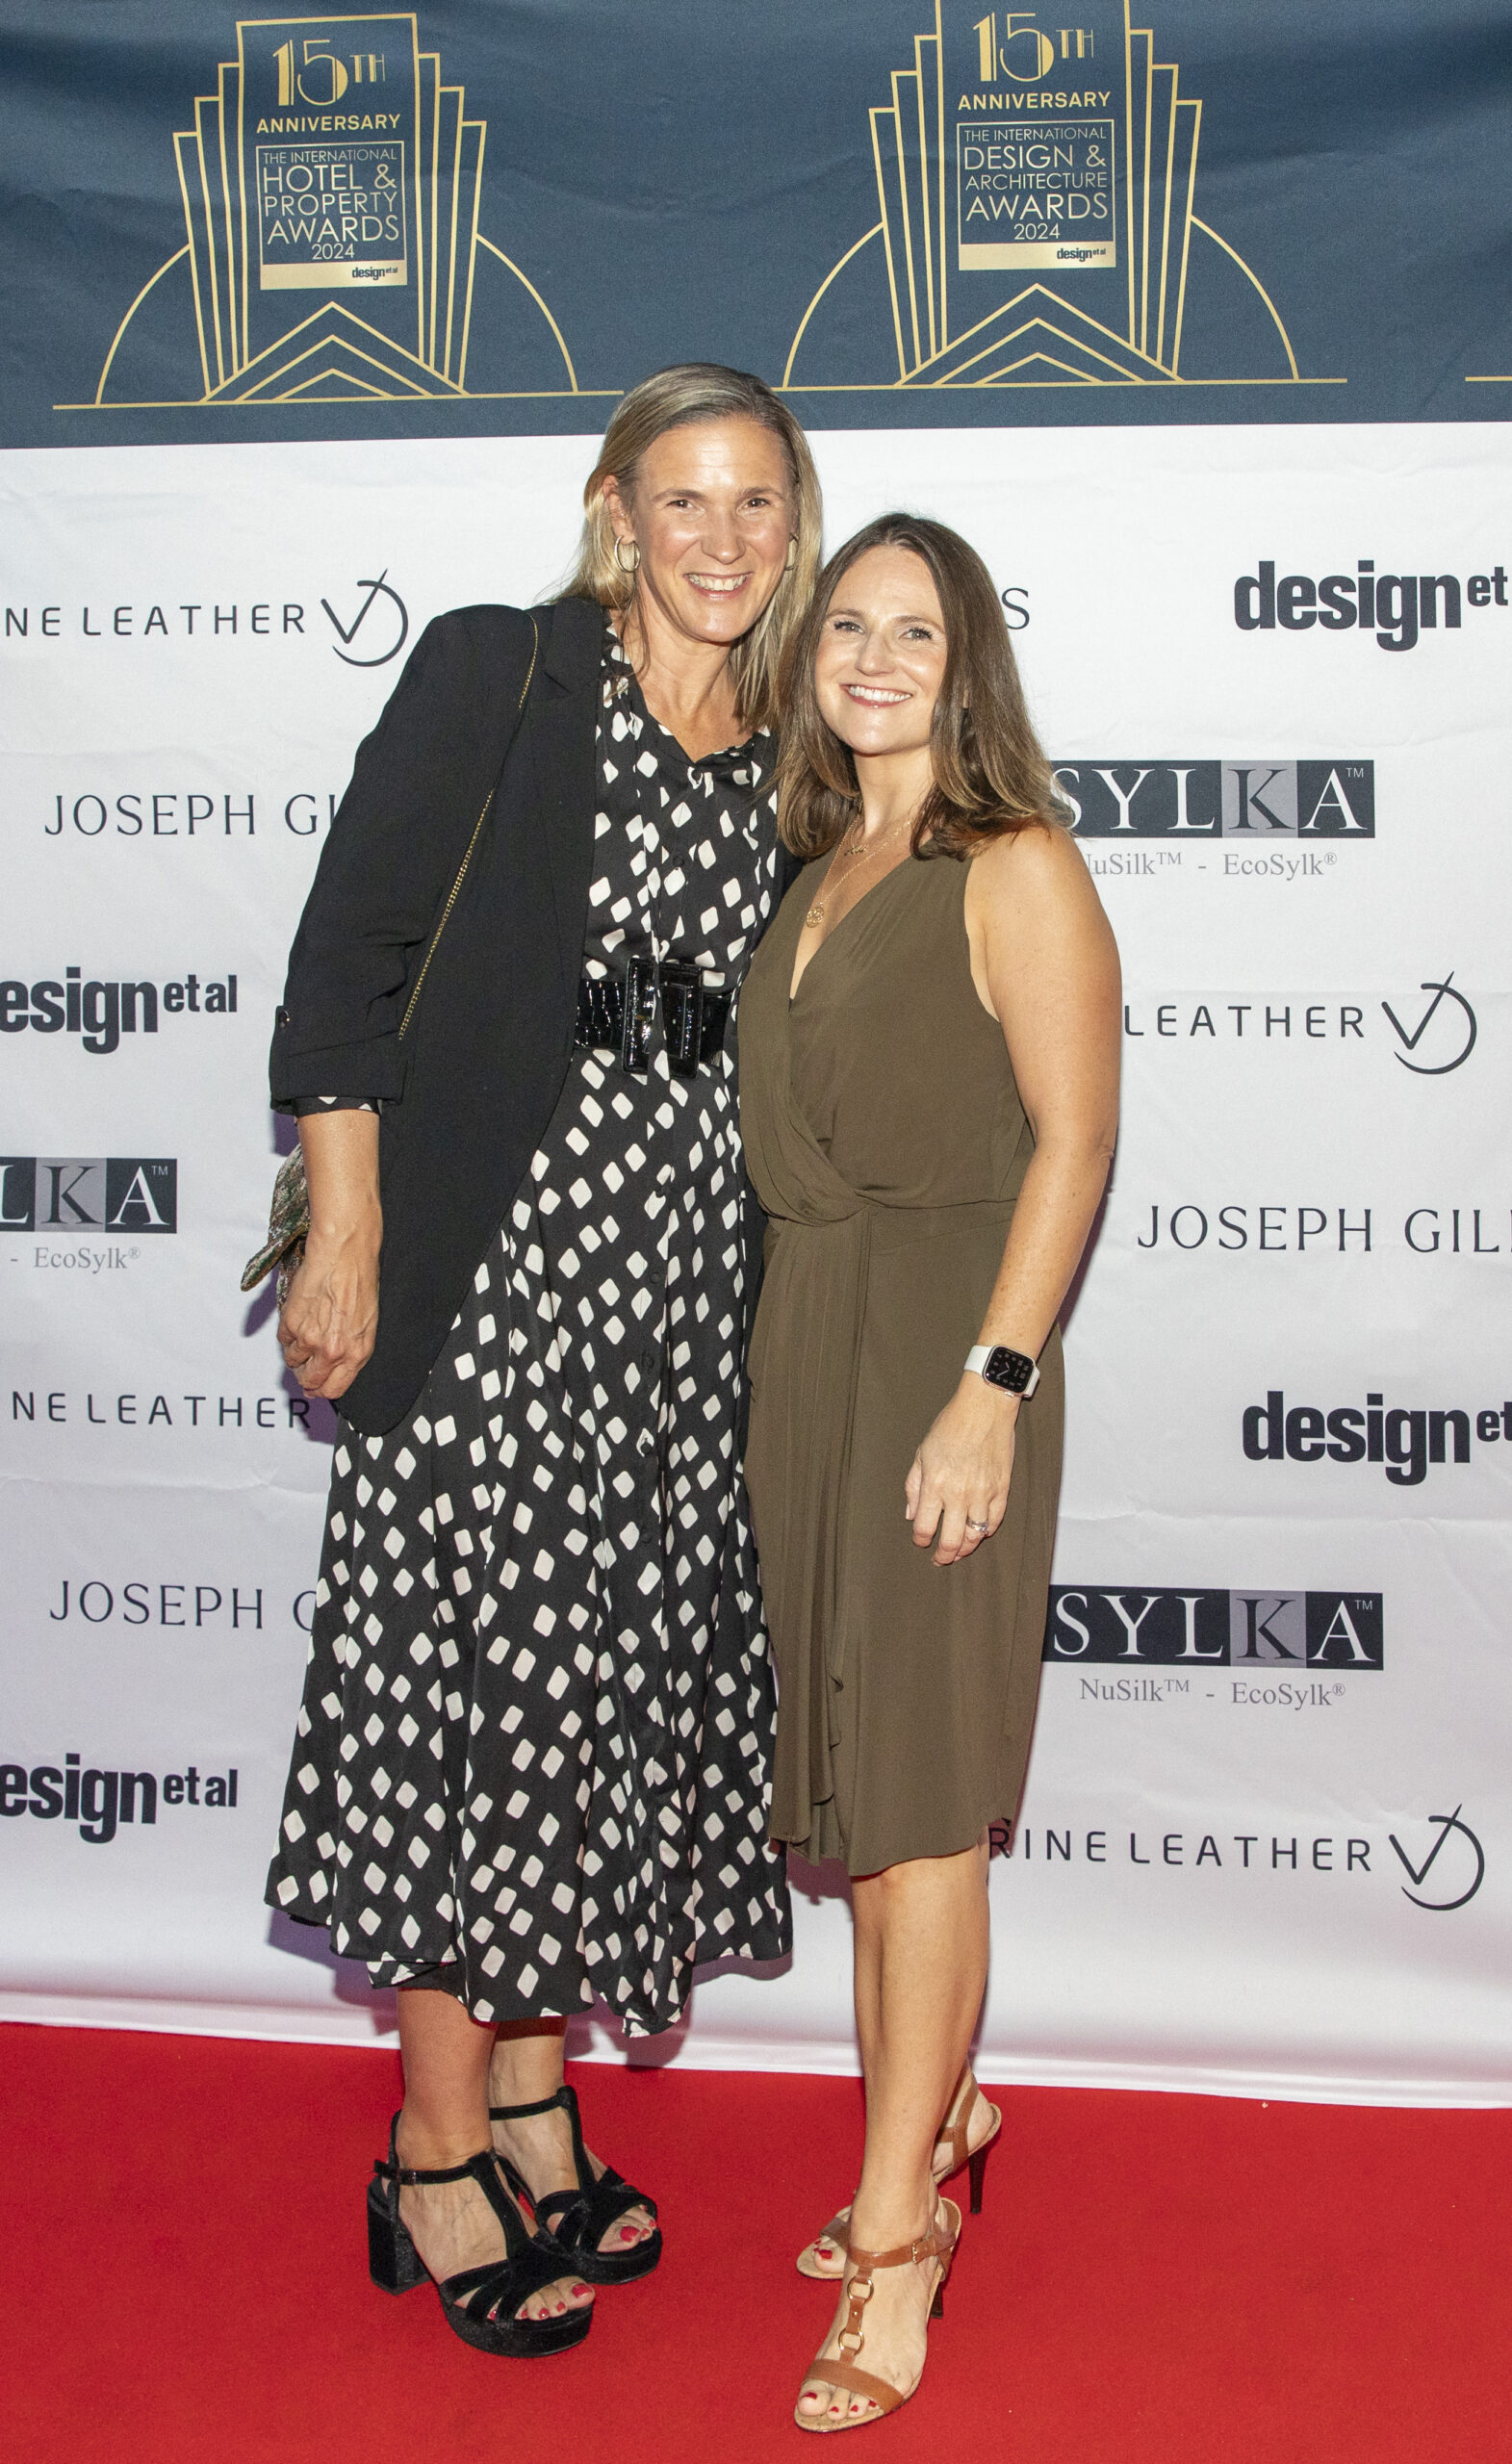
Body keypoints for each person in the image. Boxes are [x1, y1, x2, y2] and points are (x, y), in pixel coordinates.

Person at [263, 366, 822, 2357]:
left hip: (674, 1317)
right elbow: (346, 965)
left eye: (755, 501)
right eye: (683, 498)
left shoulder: (791, 746)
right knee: (474, 1710)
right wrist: (346, 1233)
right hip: (494, 1288)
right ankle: (429, 2155)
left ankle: (525, 2095)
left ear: (791, 526)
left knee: (585, 1703)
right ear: (614, 511)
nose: (720, 538)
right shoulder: (500, 673)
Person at [739, 513, 1120, 2429]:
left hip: (937, 1354)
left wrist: (991, 1383)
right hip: (803, 1349)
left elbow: (1072, 1140)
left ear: (967, 664)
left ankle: (900, 2233)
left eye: (913, 630)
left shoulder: (1013, 861)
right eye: (846, 627)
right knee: (862, 1810)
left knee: (920, 1815)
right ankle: (938, 2107)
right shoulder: (817, 862)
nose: (872, 658)